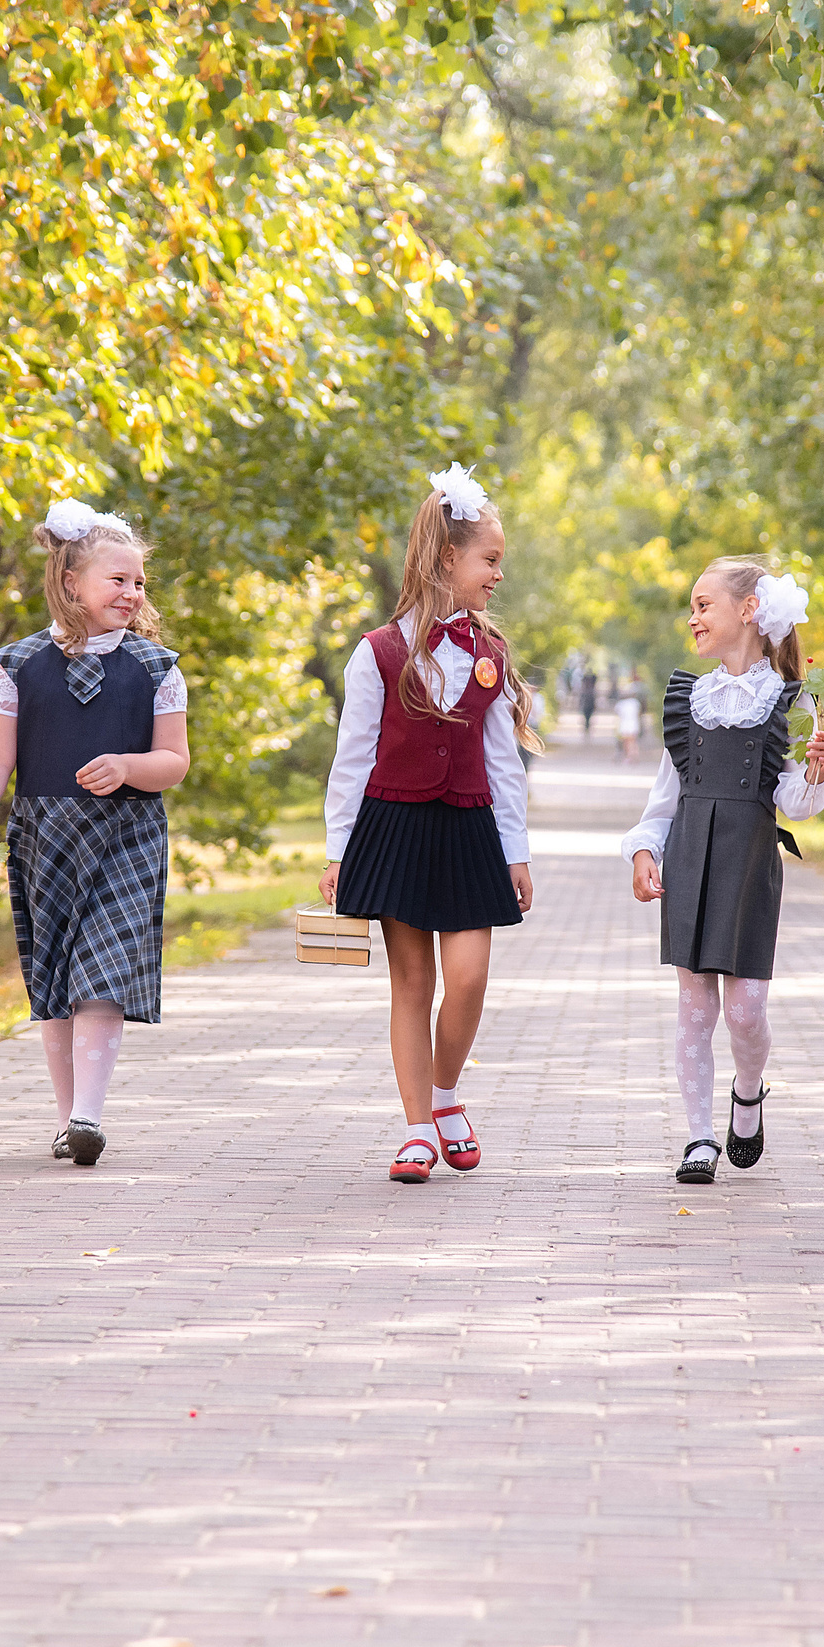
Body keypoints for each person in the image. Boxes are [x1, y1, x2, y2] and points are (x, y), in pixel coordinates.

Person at [0, 500, 190, 1167]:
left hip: (127, 835)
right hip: (45, 835)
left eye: (139, 582)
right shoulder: (17, 665)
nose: (132, 592)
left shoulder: (156, 669)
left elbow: (174, 761)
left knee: (104, 969)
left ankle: (89, 1112)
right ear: (70, 584)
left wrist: (129, 766)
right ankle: (68, 1120)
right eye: (118, 579)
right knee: (55, 977)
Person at [319, 462, 535, 1184]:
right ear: (449, 558)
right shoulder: (376, 653)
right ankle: (417, 1127)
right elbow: (352, 758)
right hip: (396, 828)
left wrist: (517, 852)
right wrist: (337, 851)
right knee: (411, 982)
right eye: (490, 559)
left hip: (470, 831)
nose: (497, 574)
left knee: (468, 978)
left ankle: (445, 1094)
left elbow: (504, 763)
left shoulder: (489, 655)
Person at [621, 556, 824, 1185]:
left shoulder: (795, 703)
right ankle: (697, 1139)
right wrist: (644, 852)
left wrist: (820, 767)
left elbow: (796, 803)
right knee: (695, 1007)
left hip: (748, 866)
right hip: (690, 858)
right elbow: (665, 798)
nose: (692, 617)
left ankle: (749, 1091)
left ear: (748, 610)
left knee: (745, 1010)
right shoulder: (689, 698)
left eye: (702, 604)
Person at [613, 675, 646, 763]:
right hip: (634, 723)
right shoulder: (635, 703)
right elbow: (639, 713)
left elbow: (617, 713)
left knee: (626, 742)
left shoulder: (622, 704)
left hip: (625, 724)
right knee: (634, 741)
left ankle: (629, 756)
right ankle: (634, 755)